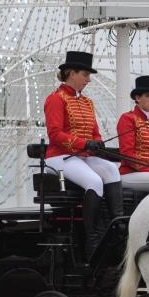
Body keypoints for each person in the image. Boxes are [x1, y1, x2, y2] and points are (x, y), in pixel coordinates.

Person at [43, 50, 122, 257]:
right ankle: (92, 240)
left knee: (112, 171)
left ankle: (117, 229)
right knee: (94, 181)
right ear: (72, 73)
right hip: (59, 156)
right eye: (85, 75)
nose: (88, 80)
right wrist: (83, 143)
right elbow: (55, 133)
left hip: (83, 155)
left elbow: (94, 132)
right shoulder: (56, 98)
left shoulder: (87, 102)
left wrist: (98, 144)